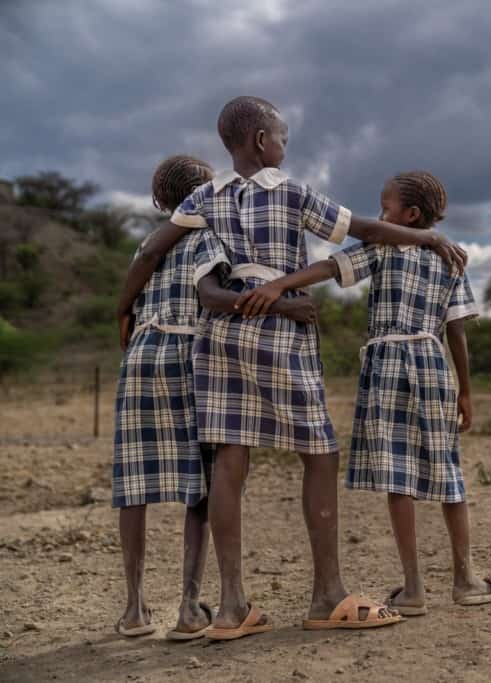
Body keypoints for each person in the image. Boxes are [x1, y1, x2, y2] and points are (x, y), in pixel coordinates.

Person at [115, 96, 467, 639]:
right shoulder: (293, 192)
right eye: (281, 137)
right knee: (319, 454)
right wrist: (425, 235)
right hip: (280, 331)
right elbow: (364, 230)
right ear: (262, 142)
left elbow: (150, 252)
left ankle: (232, 606)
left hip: (220, 336)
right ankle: (327, 595)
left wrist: (124, 307)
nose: (284, 145)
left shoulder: (206, 198)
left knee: (230, 457)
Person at [236, 171, 491, 617]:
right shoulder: (451, 257)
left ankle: (414, 588)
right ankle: (466, 580)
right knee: (448, 473)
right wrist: (465, 391)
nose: (380, 215)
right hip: (433, 364)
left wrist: (279, 284)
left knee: (397, 477)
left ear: (411, 214)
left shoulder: (383, 246)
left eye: (385, 207)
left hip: (387, 365)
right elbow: (455, 329)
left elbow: (329, 268)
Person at [112, 155, 317, 640]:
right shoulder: (211, 236)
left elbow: (141, 278)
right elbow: (219, 297)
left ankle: (134, 610)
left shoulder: (150, 244)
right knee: (201, 490)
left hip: (140, 355)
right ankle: (188, 608)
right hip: (191, 357)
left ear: (160, 200)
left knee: (133, 485)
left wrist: (120, 310)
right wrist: (287, 307)